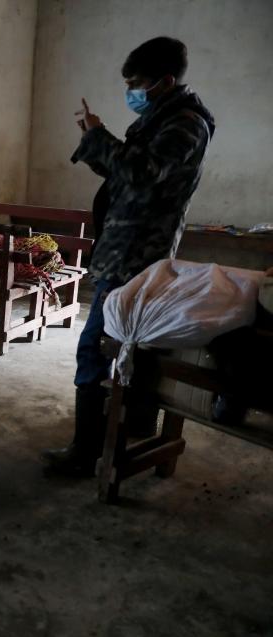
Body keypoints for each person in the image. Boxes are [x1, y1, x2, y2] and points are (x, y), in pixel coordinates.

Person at [42, 36, 216, 476]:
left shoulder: (185, 125)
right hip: (122, 248)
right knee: (127, 342)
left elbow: (139, 173)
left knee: (94, 347)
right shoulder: (160, 118)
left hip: (137, 255)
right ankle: (133, 421)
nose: (131, 92)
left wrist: (101, 138)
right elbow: (126, 173)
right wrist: (95, 141)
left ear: (166, 81)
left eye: (137, 83)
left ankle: (86, 451)